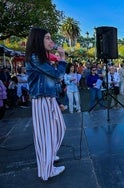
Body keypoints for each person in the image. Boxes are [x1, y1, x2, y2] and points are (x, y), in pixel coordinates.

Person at [25, 27, 67, 181]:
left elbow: (52, 82)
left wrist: (57, 101)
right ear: (38, 39)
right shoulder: (35, 57)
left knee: (59, 128)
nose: (52, 41)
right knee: (45, 136)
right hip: (41, 100)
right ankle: (47, 171)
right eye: (48, 38)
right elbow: (57, 75)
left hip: (48, 99)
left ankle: (49, 155)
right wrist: (62, 58)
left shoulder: (41, 58)